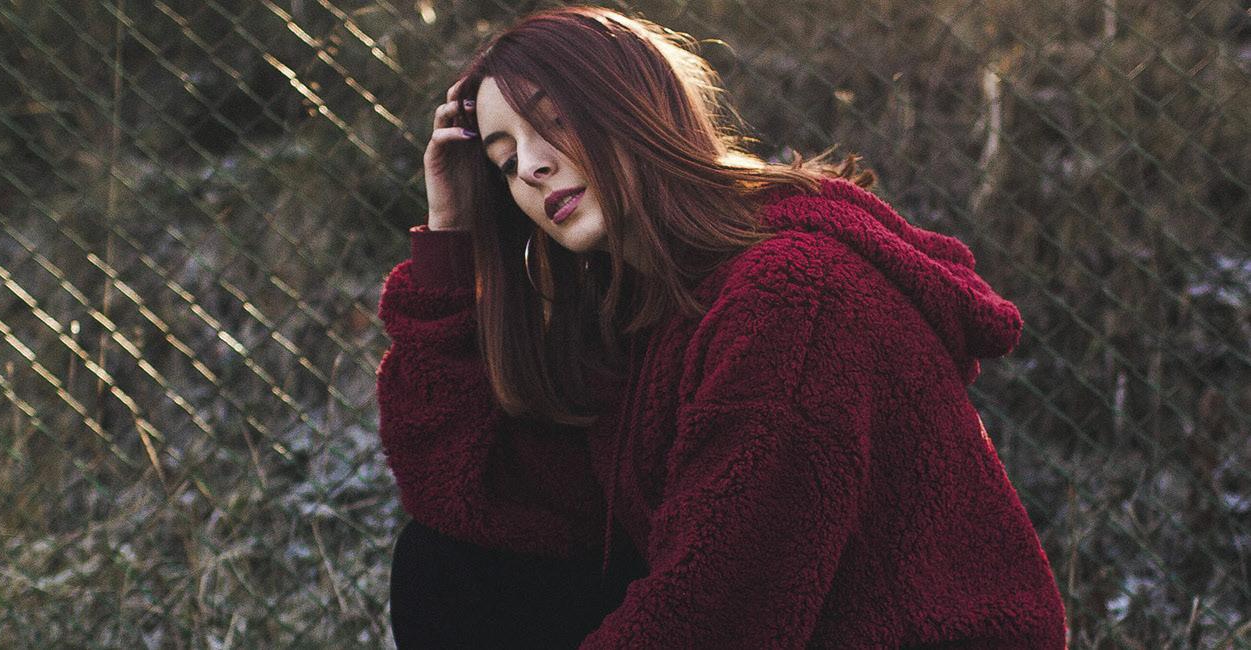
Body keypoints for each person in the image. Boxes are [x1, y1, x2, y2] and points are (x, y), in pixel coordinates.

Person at [375, 5, 1067, 648]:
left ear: (636, 108)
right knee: (448, 568)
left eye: (553, 122)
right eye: (503, 160)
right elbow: (473, 496)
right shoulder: (644, 307)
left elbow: (720, 612)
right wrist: (449, 240)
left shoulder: (792, 294)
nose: (530, 166)